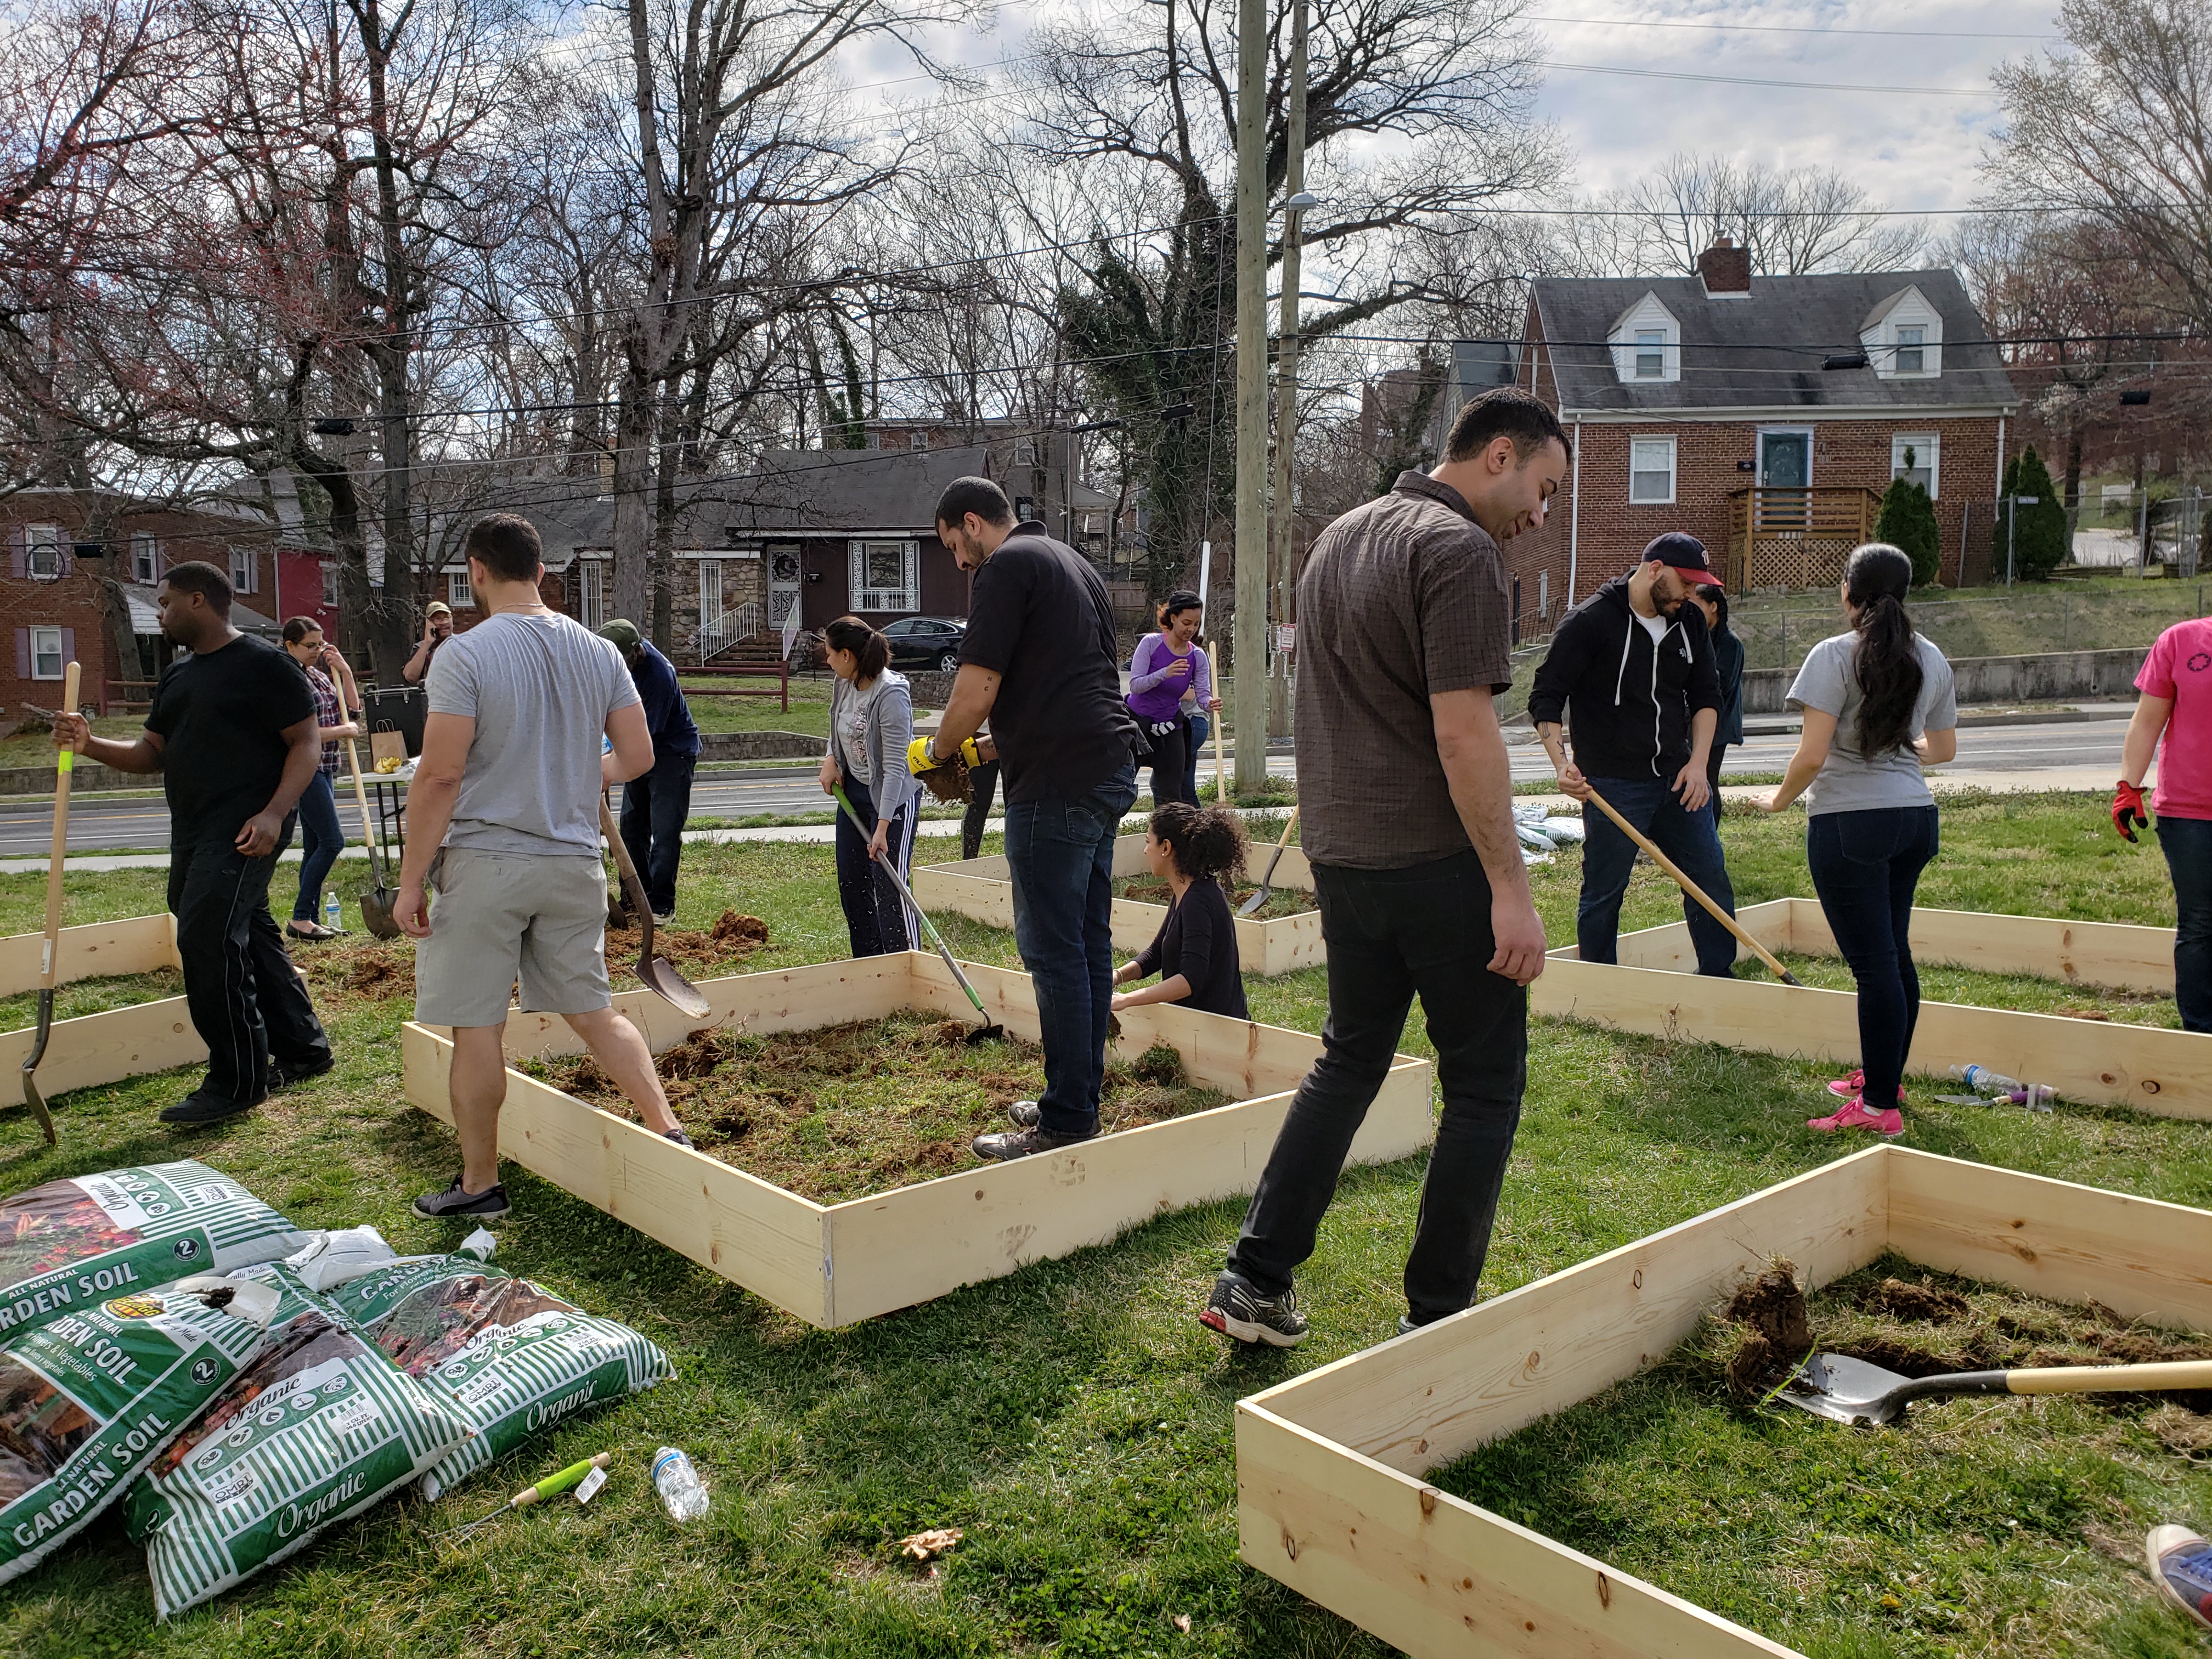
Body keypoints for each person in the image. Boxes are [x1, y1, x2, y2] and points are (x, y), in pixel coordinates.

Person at [1200, 387, 1560, 1349]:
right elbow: (1463, 731)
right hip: (1434, 863)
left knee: (1347, 1061)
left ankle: (1254, 1276)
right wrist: (1510, 889)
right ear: (1497, 454)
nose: (1540, 513)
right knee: (1482, 1086)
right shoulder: (1457, 553)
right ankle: (1439, 1312)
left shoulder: (1341, 537)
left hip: (1343, 859)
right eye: (1542, 486)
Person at [394, 514, 690, 1220]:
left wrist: (410, 882)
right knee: (594, 1012)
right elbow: (640, 758)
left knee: (477, 1026)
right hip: (571, 864)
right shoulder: (598, 650)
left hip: (487, 863)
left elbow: (439, 777)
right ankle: (671, 1134)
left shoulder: (463, 655)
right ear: (543, 573)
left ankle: (479, 1186)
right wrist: (584, 775)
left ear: (475, 572)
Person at [53, 562, 334, 1124]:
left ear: (199, 601)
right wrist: (88, 744)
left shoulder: (265, 664)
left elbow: (306, 743)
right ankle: (304, 1048)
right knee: (245, 930)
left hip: (247, 830)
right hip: (194, 830)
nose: (159, 613)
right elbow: (149, 754)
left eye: (165, 602)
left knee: (206, 938)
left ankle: (237, 1081)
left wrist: (276, 814)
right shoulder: (179, 677)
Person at [916, 476, 1139, 1161]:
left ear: (974, 523)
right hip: (1106, 763)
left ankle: (1068, 1118)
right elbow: (1060, 684)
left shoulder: (1006, 567)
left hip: (1057, 781)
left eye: (956, 546)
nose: (959, 562)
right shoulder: (1073, 563)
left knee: (1051, 950)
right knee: (1086, 942)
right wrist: (987, 748)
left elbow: (978, 687)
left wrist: (939, 751)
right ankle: (1076, 1091)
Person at [1755, 543, 1957, 1137]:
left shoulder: (1832, 655)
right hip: (1916, 817)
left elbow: (1812, 755)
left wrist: (1777, 799)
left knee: (1875, 967)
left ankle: (1878, 1110)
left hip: (1851, 824)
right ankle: (1882, 1080)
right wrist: (1898, 744)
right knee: (1894, 954)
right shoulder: (1933, 657)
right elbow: (1942, 750)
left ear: (1848, 592)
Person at [1529, 532, 1739, 977]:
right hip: (1613, 785)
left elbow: (1707, 696)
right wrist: (1561, 764)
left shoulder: (1690, 623)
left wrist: (1699, 764)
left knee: (1709, 876)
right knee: (1605, 890)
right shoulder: (1589, 622)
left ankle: (1720, 976)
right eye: (1685, 583)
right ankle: (1599, 983)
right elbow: (1546, 696)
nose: (1690, 595)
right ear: (1655, 569)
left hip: (1679, 779)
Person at [2114, 610, 2212, 1032]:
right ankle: (2200, 1033)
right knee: (2200, 923)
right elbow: (2147, 720)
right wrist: (2128, 786)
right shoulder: (2181, 641)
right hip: (2189, 813)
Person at [817, 615, 920, 956]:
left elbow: (895, 768)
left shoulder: (891, 695)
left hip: (891, 801)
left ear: (847, 655)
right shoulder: (844, 682)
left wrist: (883, 827)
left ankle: (905, 962)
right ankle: (869, 963)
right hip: (853, 794)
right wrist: (832, 758)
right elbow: (838, 726)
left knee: (889, 887)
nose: (826, 659)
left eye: (830, 653)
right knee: (852, 882)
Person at [596, 618, 700, 925]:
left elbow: (641, 737)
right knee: (631, 826)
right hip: (633, 749)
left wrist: (609, 769)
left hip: (670, 753)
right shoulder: (610, 667)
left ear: (636, 652)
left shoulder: (659, 674)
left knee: (665, 830)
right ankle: (634, 896)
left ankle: (660, 905)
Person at [1110, 802, 1249, 1020]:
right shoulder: (1187, 890)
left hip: (1216, 1031)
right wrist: (1117, 976)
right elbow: (1156, 954)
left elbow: (1189, 980)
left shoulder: (1198, 900)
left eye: (1149, 842)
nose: (1146, 851)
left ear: (1166, 848)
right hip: (1193, 1024)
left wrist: (1126, 1000)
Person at [279, 617, 363, 941]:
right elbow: (297, 736)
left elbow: (352, 712)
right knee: (332, 841)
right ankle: (301, 917)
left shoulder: (317, 675)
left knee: (314, 844)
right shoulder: (288, 680)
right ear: (290, 646)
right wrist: (342, 732)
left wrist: (346, 672)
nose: (318, 651)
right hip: (303, 769)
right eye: (310, 646)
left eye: (321, 644)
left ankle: (310, 919)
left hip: (327, 766)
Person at [1126, 592, 1217, 807]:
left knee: (1172, 797)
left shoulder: (1198, 656)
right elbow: (1135, 686)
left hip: (1169, 726)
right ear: (1173, 618)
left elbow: (1203, 695)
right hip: (1137, 723)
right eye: (1186, 622)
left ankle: (1169, 838)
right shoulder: (1151, 644)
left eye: (1196, 624)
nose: (1191, 629)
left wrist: (1209, 703)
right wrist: (1164, 673)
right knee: (1121, 786)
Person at [1691, 584, 1745, 812]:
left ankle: (1710, 830)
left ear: (1714, 607)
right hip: (1698, 720)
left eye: (1698, 605)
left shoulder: (1729, 643)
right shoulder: (1701, 639)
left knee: (1708, 778)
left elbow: (1722, 685)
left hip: (1719, 724)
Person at [400, 600, 454, 685]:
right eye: (438, 619)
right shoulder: (422, 647)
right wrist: (427, 643)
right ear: (429, 623)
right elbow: (410, 677)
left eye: (447, 617)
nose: (444, 623)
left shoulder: (461, 644)